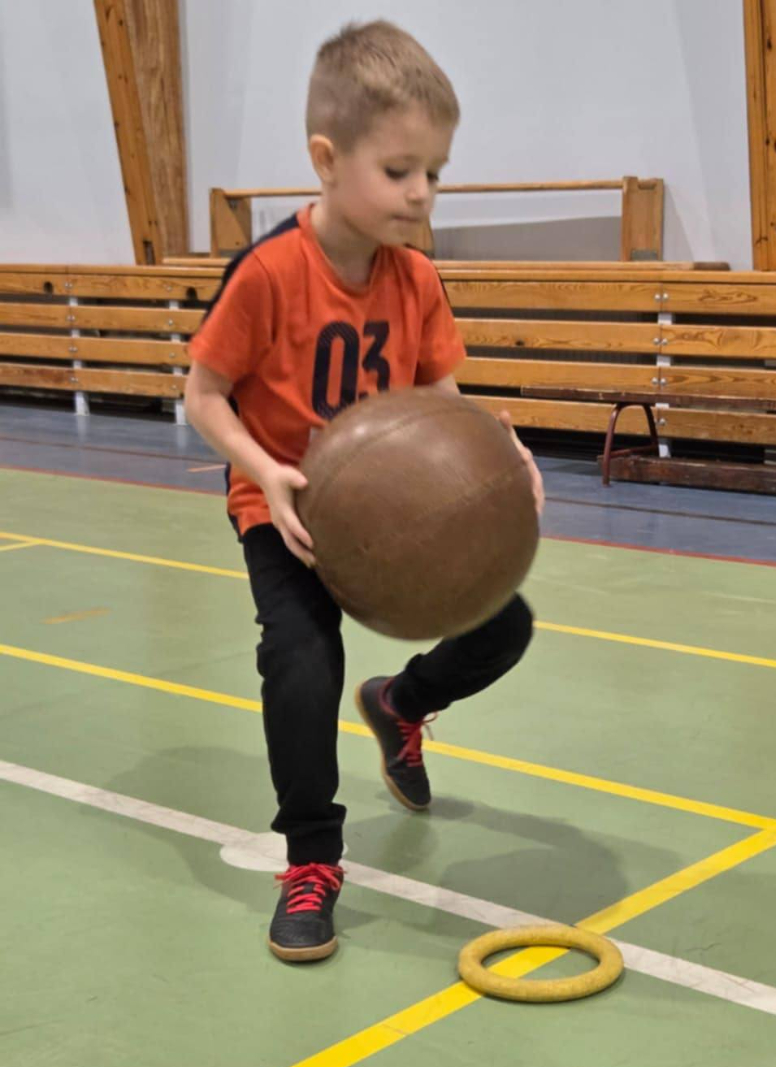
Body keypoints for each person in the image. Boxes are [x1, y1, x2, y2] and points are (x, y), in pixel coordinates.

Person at [185, 20, 544, 964]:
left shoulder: (417, 280)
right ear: (326, 159)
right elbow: (203, 394)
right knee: (299, 661)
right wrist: (262, 469)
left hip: (396, 517)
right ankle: (311, 859)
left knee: (504, 622)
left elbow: (442, 404)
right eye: (399, 171)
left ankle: (403, 704)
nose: (421, 193)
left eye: (435, 171)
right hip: (289, 511)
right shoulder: (268, 274)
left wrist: (500, 458)